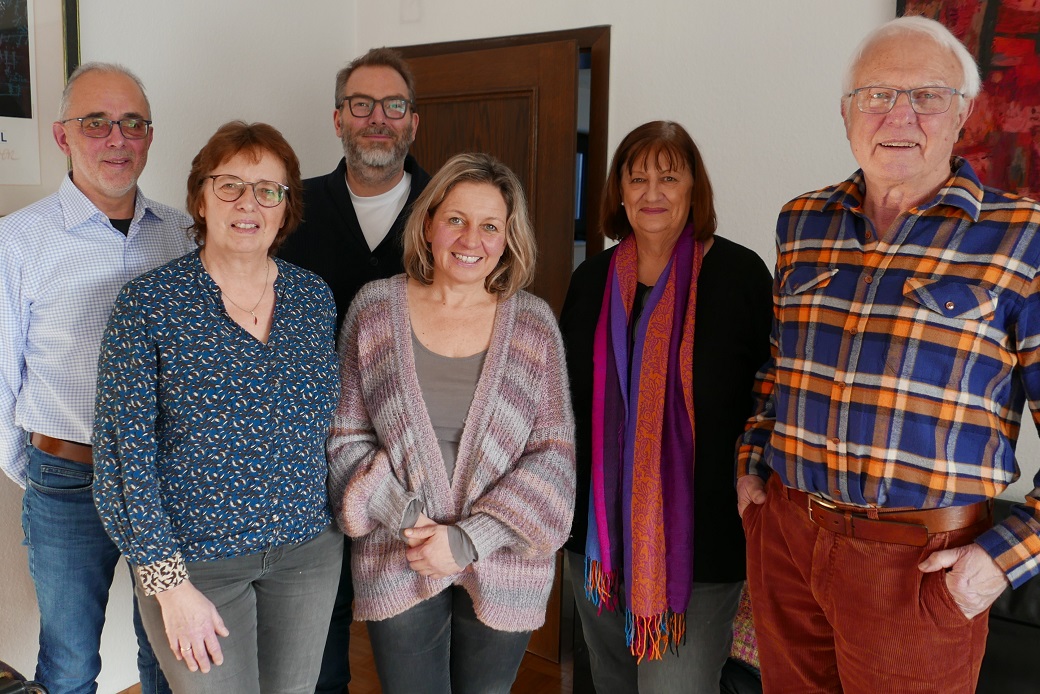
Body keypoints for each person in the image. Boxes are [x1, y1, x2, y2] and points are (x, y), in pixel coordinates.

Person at [737, 15, 1040, 693]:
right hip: (788, 540)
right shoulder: (803, 222)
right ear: (846, 113)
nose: (899, 114)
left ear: (963, 113)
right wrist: (749, 474)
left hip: (920, 566)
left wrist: (999, 560)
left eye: (927, 95)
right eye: (876, 95)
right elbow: (778, 366)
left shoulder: (1021, 237)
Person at [92, 121, 342, 693]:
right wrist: (167, 583)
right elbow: (122, 459)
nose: (247, 203)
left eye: (267, 190)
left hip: (306, 553)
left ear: (286, 208)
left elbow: (329, 427)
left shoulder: (312, 297)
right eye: (229, 185)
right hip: (195, 564)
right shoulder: (149, 305)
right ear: (201, 198)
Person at [327, 152, 575, 694]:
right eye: (457, 219)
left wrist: (466, 541)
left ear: (508, 239)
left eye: (490, 226)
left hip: (505, 560)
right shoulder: (373, 309)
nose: (471, 239)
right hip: (400, 553)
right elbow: (345, 437)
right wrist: (409, 518)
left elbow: (554, 457)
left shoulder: (533, 325)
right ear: (430, 221)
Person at [559, 120, 773, 693]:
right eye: (638, 178)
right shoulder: (591, 279)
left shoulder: (740, 276)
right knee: (611, 684)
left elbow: (773, 393)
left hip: (699, 546)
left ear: (692, 190)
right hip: (597, 543)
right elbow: (563, 400)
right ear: (619, 193)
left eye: (669, 178)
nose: (652, 193)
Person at [0, 62, 191, 694]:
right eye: (96, 123)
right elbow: (0, 375)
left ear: (149, 136)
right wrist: (36, 470)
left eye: (132, 123)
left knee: (165, 652)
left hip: (163, 484)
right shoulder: (18, 242)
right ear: (62, 136)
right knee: (70, 658)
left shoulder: (185, 238)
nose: (117, 138)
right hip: (64, 481)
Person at [277, 48, 430, 693]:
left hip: (419, 468)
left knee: (417, 640)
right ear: (337, 118)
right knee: (319, 641)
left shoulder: (448, 213)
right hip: (310, 463)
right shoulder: (292, 210)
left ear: (412, 123)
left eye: (392, 106)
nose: (377, 119)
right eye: (361, 105)